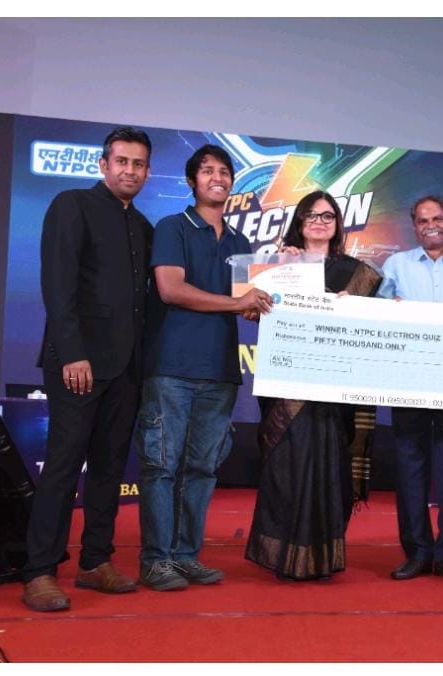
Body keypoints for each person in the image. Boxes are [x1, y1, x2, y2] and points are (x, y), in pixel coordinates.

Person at [22, 127, 153, 612]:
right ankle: (39, 571)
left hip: (127, 369)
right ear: (104, 165)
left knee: (108, 469)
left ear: (146, 171)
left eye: (138, 164)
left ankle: (95, 561)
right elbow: (57, 284)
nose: (130, 171)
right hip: (78, 364)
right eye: (122, 161)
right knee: (62, 467)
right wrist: (73, 352)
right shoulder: (72, 205)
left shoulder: (143, 226)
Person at [137, 145, 273, 591]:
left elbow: (246, 305)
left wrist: (276, 291)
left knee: (202, 468)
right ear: (192, 181)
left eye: (224, 171)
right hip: (172, 368)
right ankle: (156, 560)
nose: (218, 178)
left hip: (220, 370)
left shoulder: (240, 243)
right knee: (161, 466)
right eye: (208, 171)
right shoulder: (172, 227)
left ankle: (185, 555)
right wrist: (237, 303)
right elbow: (171, 289)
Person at [245, 190, 382, 580]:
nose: (320, 222)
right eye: (311, 215)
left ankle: (320, 558)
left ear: (338, 224)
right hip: (285, 383)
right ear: (299, 222)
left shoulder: (358, 274)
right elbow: (252, 313)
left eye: (327, 216)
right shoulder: (277, 265)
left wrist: (352, 307)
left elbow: (370, 327)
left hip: (333, 388)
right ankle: (279, 555)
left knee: (329, 468)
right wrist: (279, 270)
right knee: (286, 466)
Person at [378, 196, 443, 583]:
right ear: (414, 226)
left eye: (437, 218)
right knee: (410, 470)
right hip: (407, 380)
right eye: (423, 221)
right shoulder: (395, 266)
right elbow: (374, 316)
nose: (431, 226)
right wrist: (389, 309)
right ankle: (418, 553)